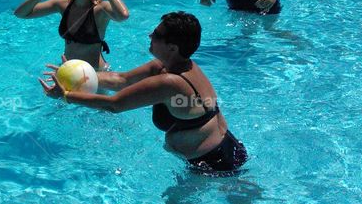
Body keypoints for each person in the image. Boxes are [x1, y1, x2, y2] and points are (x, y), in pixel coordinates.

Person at [40, 11, 248, 176]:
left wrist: (66, 96)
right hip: (225, 148)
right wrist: (79, 75)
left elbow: (114, 105)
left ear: (172, 47)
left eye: (156, 35)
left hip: (213, 163)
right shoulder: (171, 65)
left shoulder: (170, 82)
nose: (150, 36)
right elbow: (121, 80)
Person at [14, 0, 129, 70]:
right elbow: (21, 14)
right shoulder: (62, 4)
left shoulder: (101, 9)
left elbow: (123, 15)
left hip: (95, 74)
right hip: (68, 70)